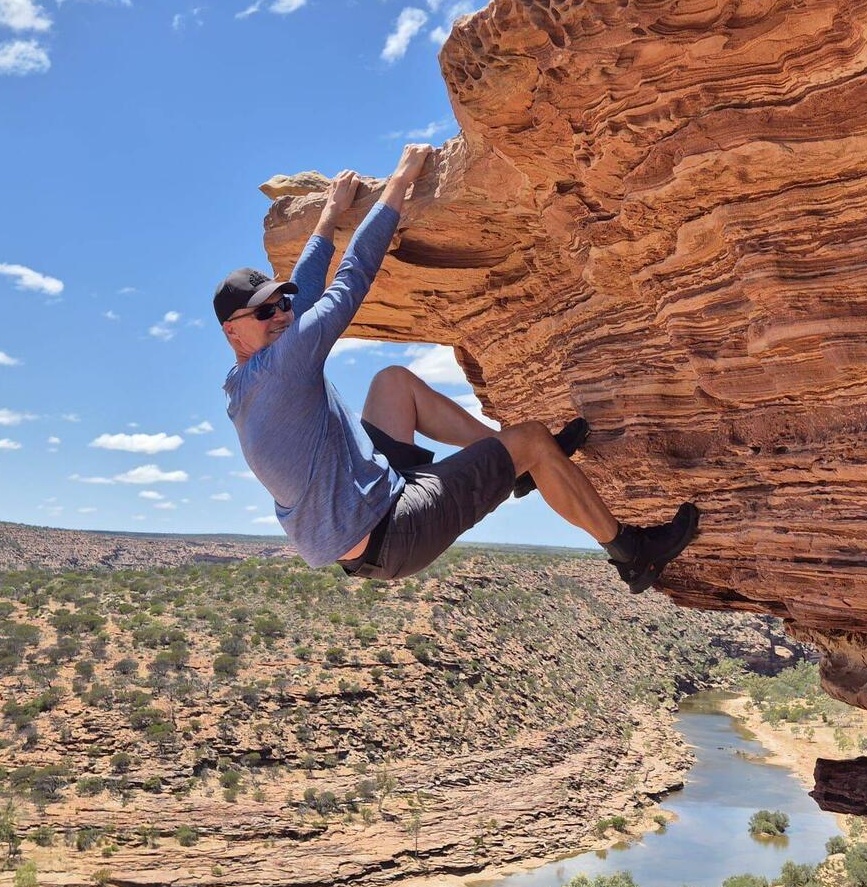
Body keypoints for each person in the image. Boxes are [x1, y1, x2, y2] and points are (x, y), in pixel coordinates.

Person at [216, 143, 697, 594]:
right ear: (233, 333)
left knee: (393, 384)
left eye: (280, 304)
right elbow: (351, 278)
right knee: (531, 439)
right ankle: (632, 554)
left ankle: (512, 470)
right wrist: (399, 183)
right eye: (264, 312)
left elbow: (305, 289)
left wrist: (328, 217)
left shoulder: (247, 375)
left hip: (366, 506)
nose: (281, 314)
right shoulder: (282, 363)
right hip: (390, 533)